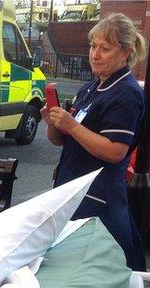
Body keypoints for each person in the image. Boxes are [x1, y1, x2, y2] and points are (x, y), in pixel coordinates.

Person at [42, 13, 146, 270]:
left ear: (126, 53)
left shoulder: (126, 93)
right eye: (93, 46)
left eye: (105, 48)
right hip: (72, 191)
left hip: (98, 199)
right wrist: (54, 123)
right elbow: (61, 141)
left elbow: (115, 151)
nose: (95, 54)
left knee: (100, 270)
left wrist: (72, 125)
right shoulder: (89, 88)